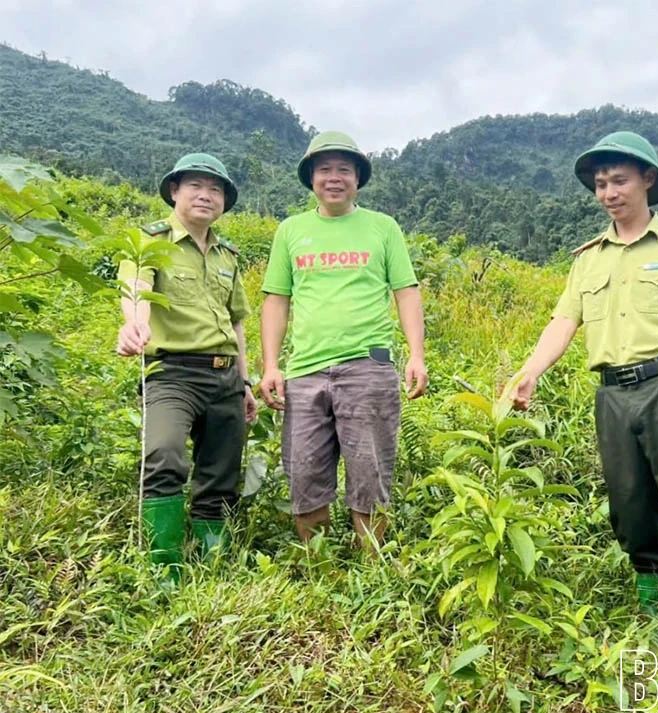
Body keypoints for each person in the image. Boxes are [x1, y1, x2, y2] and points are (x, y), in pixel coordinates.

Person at [510, 131, 658, 636]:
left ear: (647, 180)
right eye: (599, 184)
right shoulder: (588, 258)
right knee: (631, 511)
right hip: (614, 396)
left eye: (618, 180)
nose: (608, 193)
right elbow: (564, 321)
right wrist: (530, 370)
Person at [259, 131, 427, 549]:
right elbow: (277, 300)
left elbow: (406, 291)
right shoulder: (291, 231)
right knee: (304, 471)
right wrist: (271, 365)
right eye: (324, 170)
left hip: (367, 367)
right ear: (311, 178)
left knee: (370, 472)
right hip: (304, 372)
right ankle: (320, 566)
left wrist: (416, 355)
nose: (334, 178)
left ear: (358, 178)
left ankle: (371, 568)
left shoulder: (382, 228)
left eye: (344, 170)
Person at [116, 153, 256, 576]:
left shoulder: (228, 255)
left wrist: (245, 381)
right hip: (172, 373)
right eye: (195, 185)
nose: (205, 195)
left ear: (224, 202)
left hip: (225, 375)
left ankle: (211, 559)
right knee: (164, 453)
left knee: (221, 470)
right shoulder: (149, 242)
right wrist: (133, 327)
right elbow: (136, 292)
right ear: (174, 191)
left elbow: (236, 323)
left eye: (215, 189)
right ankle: (165, 566)